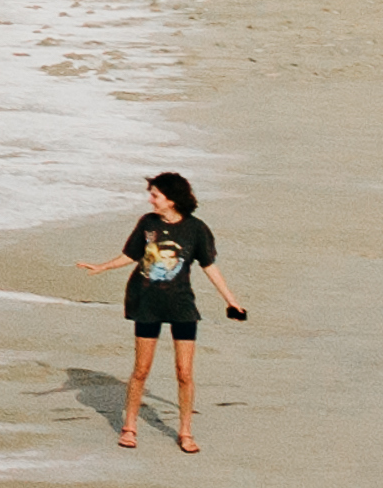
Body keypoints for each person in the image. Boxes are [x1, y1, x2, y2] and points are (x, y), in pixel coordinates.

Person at [73, 168, 254, 450]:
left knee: (184, 372)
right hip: (146, 303)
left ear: (171, 199)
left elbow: (209, 266)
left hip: (181, 306)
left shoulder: (196, 229)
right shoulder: (148, 224)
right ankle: (129, 427)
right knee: (141, 370)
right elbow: (131, 255)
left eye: (155, 195)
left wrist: (231, 300)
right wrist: (103, 266)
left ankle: (185, 432)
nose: (151, 200)